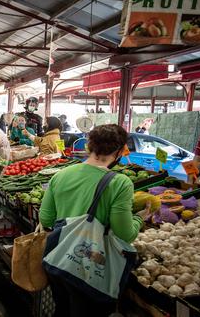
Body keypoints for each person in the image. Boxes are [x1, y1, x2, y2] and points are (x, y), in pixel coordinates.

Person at [39, 124, 144, 317]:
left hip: (59, 259)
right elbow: (124, 234)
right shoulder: (120, 183)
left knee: (62, 309)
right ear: (120, 151)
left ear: (89, 146)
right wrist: (139, 219)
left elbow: (45, 218)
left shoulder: (61, 175)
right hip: (91, 267)